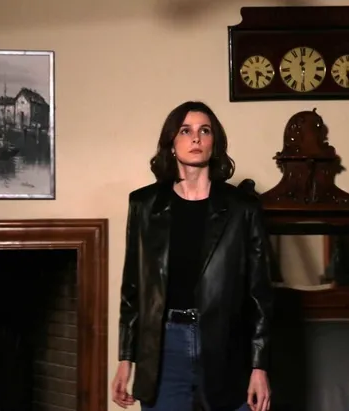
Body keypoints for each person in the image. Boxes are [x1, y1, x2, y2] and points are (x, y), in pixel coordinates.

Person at [111, 101, 274, 411]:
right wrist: (126, 359)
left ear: (215, 143)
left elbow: (260, 295)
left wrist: (259, 366)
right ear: (172, 143)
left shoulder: (242, 208)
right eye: (185, 131)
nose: (196, 138)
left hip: (226, 346)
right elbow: (132, 289)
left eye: (204, 131)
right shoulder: (144, 205)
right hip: (165, 348)